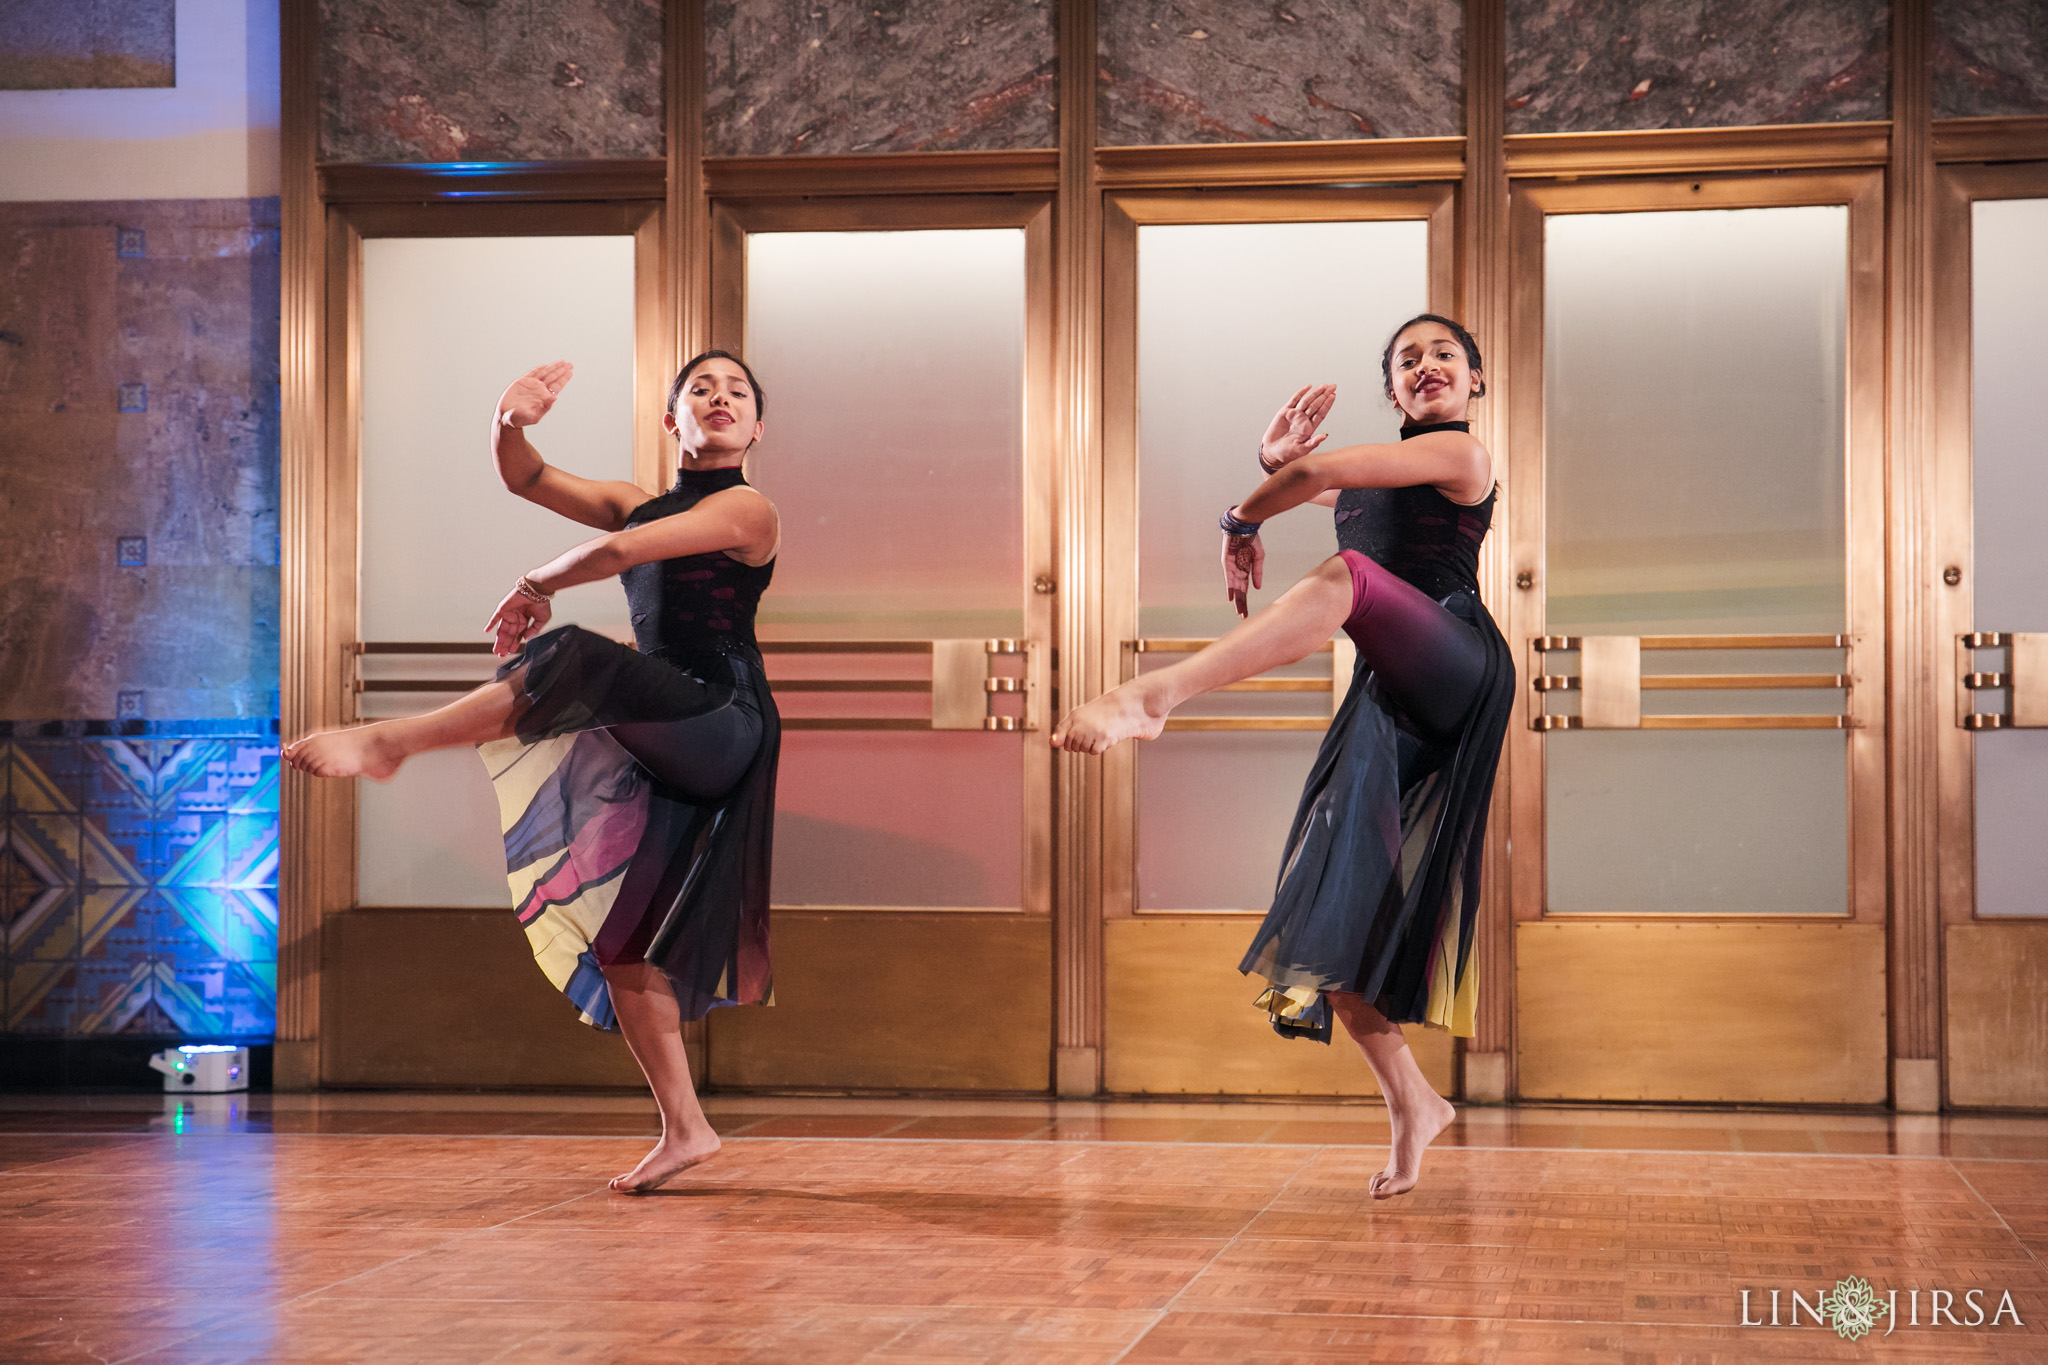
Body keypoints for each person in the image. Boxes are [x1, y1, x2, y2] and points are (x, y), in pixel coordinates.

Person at [285, 351, 781, 1194]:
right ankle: (687, 1129)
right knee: (623, 945)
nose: (721, 398)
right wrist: (508, 421)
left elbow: (626, 550)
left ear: (757, 426)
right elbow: (530, 478)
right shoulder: (640, 497)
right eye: (701, 389)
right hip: (666, 726)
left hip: (722, 719)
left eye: (737, 391)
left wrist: (535, 581)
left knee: (573, 656)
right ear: (674, 423)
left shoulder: (748, 507)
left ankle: (394, 742)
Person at [1052, 315, 1513, 1199]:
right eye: (1407, 360)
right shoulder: (1386, 476)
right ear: (1391, 392)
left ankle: (1152, 697)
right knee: (1327, 910)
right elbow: (1325, 488)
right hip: (1388, 692)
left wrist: (1245, 511)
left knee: (1346, 580)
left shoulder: (1463, 457)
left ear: (1475, 382)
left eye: (1443, 356)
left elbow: (1321, 474)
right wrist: (1270, 472)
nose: (1426, 367)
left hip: (1456, 663)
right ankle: (1414, 1102)